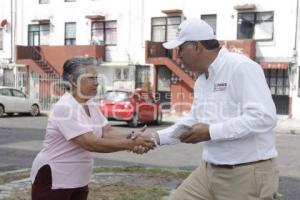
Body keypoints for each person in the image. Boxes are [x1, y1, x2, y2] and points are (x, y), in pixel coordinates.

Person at [143, 18, 279, 199]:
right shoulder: (202, 80)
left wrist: (211, 132)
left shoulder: (241, 67)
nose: (178, 55)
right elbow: (193, 120)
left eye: (181, 48)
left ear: (197, 47)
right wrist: (155, 138)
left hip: (245, 173)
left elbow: (264, 117)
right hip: (208, 172)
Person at [30, 57, 155, 200]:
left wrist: (133, 137)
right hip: (55, 179)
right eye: (91, 78)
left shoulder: (90, 105)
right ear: (73, 81)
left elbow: (107, 132)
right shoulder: (65, 107)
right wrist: (132, 144)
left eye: (96, 78)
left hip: (78, 180)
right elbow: (91, 143)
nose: (96, 83)